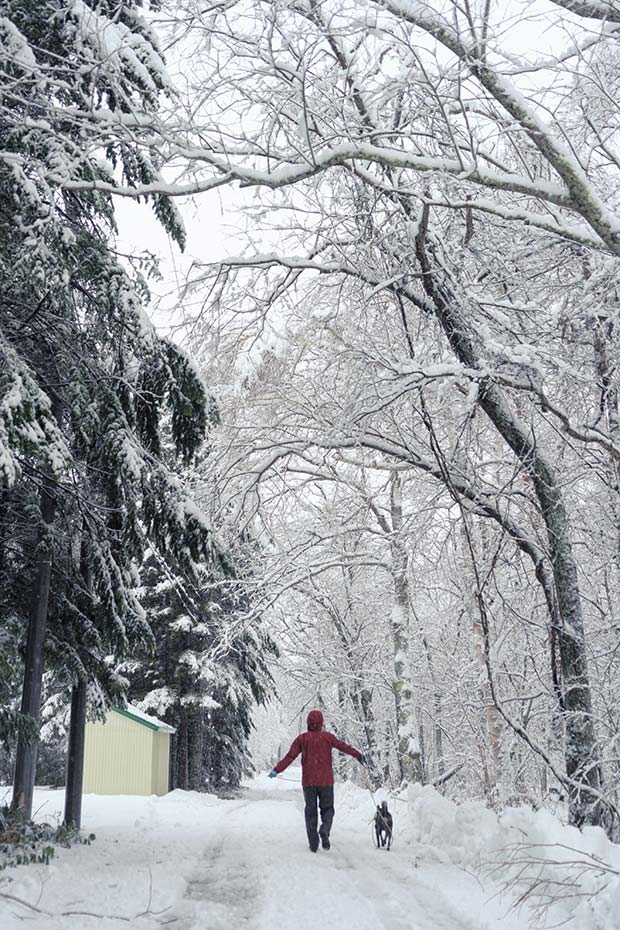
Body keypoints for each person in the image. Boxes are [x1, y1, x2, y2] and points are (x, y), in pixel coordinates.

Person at [268, 709, 366, 852]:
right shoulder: (328, 737)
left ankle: (313, 843)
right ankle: (325, 829)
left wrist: (276, 770)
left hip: (309, 782)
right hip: (326, 781)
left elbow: (290, 756)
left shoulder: (302, 739)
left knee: (310, 811)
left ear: (308, 722)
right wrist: (358, 756)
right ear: (321, 723)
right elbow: (343, 747)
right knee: (328, 809)